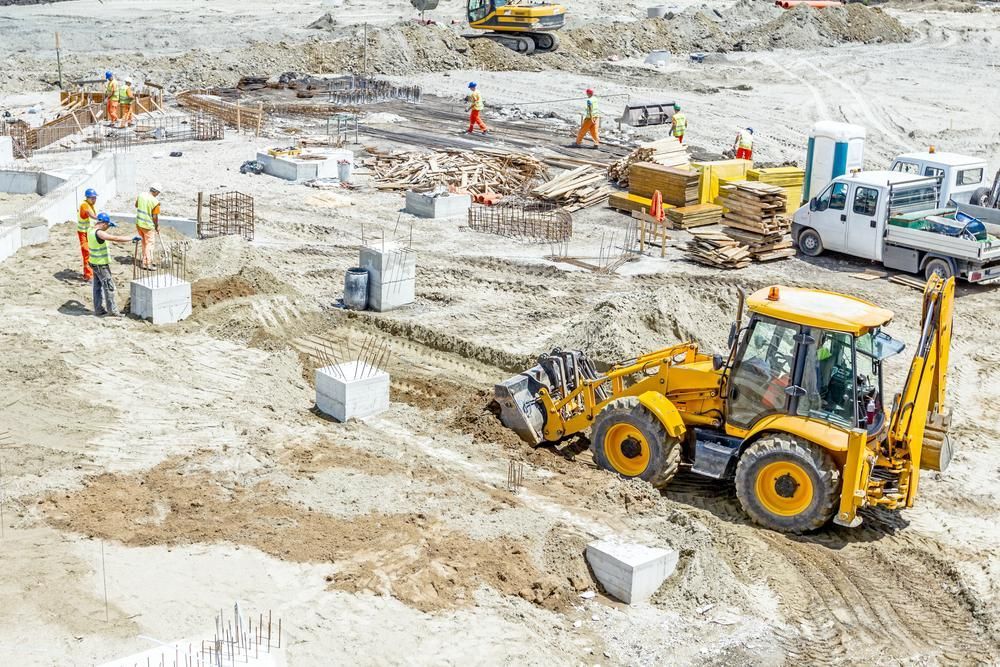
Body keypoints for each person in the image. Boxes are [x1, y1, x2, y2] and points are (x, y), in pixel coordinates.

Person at [88, 213, 139, 317]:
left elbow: (102, 229)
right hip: (101, 265)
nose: (107, 227)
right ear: (103, 224)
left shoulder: (90, 229)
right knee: (109, 287)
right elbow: (114, 238)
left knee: (97, 287)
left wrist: (109, 224)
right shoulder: (100, 233)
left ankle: (98, 309)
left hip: (93, 262)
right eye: (107, 225)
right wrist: (130, 238)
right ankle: (112, 311)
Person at [135, 184, 161, 270]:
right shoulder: (155, 202)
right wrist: (157, 226)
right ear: (156, 192)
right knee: (149, 244)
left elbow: (136, 205)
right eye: (158, 193)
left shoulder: (141, 195)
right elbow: (155, 217)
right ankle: (147, 263)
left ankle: (144, 260)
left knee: (144, 243)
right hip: (148, 226)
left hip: (139, 223)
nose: (158, 194)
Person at [77, 188, 99, 281]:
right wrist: (102, 218)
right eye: (93, 198)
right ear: (88, 198)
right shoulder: (84, 205)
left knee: (92, 253)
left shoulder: (90, 205)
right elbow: (91, 215)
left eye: (95, 198)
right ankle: (88, 275)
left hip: (89, 233)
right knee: (87, 253)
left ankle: (92, 273)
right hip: (83, 233)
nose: (94, 200)